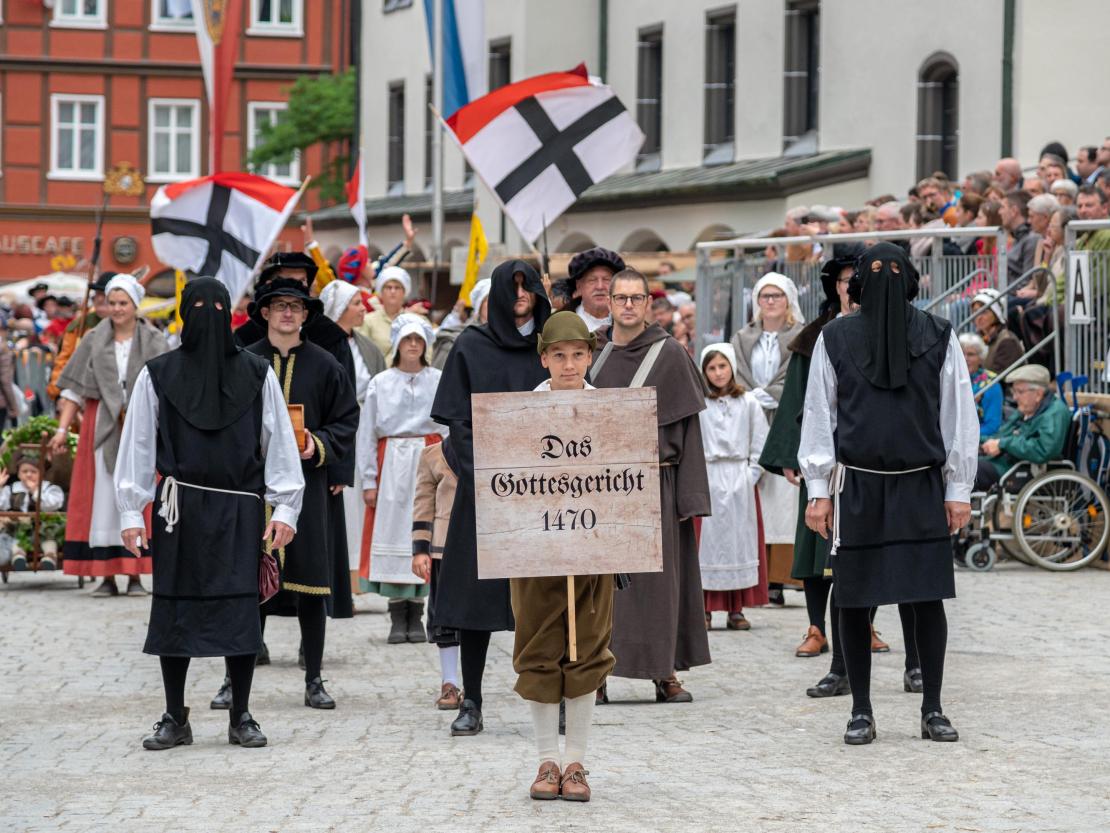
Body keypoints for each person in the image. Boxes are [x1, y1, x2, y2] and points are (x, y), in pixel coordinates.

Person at [114, 277, 305, 750]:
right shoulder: (157, 374)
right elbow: (138, 443)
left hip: (239, 508)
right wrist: (131, 511)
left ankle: (241, 715)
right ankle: (174, 715)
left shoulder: (257, 373)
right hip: (177, 510)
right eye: (197, 305)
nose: (207, 314)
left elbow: (279, 442)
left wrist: (286, 506)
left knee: (239, 610)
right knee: (175, 609)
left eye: (216, 306)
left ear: (230, 313)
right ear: (183, 312)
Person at [800, 242, 978, 746]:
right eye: (874, 269)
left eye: (894, 269)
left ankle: (932, 708)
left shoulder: (939, 335)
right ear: (859, 280)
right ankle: (860, 710)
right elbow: (820, 414)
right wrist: (818, 489)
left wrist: (958, 488)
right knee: (854, 600)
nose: (885, 276)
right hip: (857, 484)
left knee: (927, 596)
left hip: (921, 484)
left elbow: (958, 413)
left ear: (910, 278)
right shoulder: (835, 337)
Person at [430, 259, 552, 735]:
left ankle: (555, 697)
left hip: (545, 497)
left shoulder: (552, 346)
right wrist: (485, 476)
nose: (520, 294)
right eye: (512, 286)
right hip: (484, 493)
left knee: (548, 602)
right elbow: (458, 423)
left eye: (527, 286)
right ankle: (472, 700)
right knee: (475, 603)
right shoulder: (471, 345)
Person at [590, 268, 710, 703]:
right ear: (608, 303)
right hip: (601, 488)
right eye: (620, 298)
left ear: (647, 304)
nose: (627, 305)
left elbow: (690, 432)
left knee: (660, 584)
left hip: (657, 482)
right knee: (602, 586)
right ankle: (596, 674)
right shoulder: (592, 353)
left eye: (635, 298)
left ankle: (665, 671)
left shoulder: (670, 354)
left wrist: (689, 496)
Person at [242, 278, 360, 709]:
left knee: (311, 582)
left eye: (295, 306)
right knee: (248, 581)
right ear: (266, 313)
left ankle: (313, 678)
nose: (288, 313)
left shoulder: (326, 365)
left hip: (308, 485)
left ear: (306, 314)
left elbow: (346, 419)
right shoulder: (244, 361)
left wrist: (318, 443)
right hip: (253, 488)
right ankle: (235, 678)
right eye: (280, 306)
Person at [512, 311, 614, 803]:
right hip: (535, 552)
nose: (569, 364)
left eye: (577, 354)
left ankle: (575, 762)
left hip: (593, 551)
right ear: (544, 359)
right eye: (559, 355)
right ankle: (546, 760)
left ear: (590, 357)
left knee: (587, 649)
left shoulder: (611, 411)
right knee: (537, 648)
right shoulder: (519, 414)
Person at [759, 253, 855, 682]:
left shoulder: (880, 331)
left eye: (857, 279)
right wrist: (789, 455)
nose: (851, 286)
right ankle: (817, 627)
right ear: (834, 285)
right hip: (820, 458)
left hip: (862, 459)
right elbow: (797, 398)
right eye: (845, 279)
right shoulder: (813, 336)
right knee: (817, 547)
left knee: (859, 548)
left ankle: (863, 625)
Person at [52, 274, 168, 596]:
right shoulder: (92, 338)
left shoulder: (154, 340)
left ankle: (135, 574)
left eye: (123, 303)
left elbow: (169, 387)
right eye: (111, 302)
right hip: (101, 421)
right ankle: (105, 574)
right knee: (103, 497)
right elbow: (73, 391)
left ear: (135, 305)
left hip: (142, 422)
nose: (116, 309)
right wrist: (61, 430)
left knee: (139, 490)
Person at [358, 314, 446, 642]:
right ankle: (397, 614)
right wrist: (369, 480)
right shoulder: (381, 382)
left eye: (418, 339)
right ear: (397, 344)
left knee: (426, 530)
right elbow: (367, 433)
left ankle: (418, 613)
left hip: (428, 457)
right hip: (392, 461)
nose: (412, 345)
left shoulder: (437, 380)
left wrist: (448, 472)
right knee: (394, 531)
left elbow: (447, 428)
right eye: (407, 339)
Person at [731, 273, 805, 606]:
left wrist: (768, 395)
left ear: (788, 300)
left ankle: (781, 576)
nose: (771, 301)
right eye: (765, 296)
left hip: (784, 421)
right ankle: (758, 575)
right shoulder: (743, 337)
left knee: (783, 502)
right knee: (757, 498)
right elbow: (736, 371)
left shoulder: (800, 335)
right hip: (749, 419)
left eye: (777, 295)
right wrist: (750, 397)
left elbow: (796, 376)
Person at [319, 280, 387, 593]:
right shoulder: (322, 347)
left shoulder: (367, 347)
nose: (363, 308)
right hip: (337, 433)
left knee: (361, 502)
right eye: (356, 303)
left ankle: (357, 576)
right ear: (339, 309)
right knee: (343, 503)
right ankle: (338, 576)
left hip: (365, 429)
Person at [697, 343, 768, 631]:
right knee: (708, 547)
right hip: (710, 476)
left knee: (738, 544)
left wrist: (751, 475)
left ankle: (735, 609)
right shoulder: (700, 403)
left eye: (722, 366)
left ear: (732, 367)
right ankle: (704, 609)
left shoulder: (748, 402)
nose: (718, 373)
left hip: (739, 478)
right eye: (711, 368)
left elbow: (760, 440)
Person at [410, 437, 462, 711]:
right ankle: (449, 681)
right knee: (444, 616)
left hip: (484, 547)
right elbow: (424, 502)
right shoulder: (432, 455)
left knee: (479, 619)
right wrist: (420, 549)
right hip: (444, 546)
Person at [975, 364, 1070, 491]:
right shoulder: (1026, 410)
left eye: (1020, 392)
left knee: (968, 471)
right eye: (1014, 392)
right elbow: (1001, 434)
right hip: (1005, 463)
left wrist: (1003, 444)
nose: (1015, 397)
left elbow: (1043, 450)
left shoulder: (1055, 412)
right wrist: (982, 441)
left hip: (1018, 469)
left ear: (1038, 394)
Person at [0, 455, 66, 570]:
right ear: (19, 474)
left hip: (45, 526)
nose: (29, 475)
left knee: (49, 536)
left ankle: (49, 557)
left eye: (33, 472)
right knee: (15, 536)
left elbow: (53, 504)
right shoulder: (12, 488)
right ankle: (18, 557)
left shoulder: (49, 488)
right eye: (24, 471)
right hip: (20, 527)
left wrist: (35, 491)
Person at [359, 266, 420, 357]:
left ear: (404, 292)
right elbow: (362, 352)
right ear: (381, 292)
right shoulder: (368, 321)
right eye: (388, 287)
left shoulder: (415, 321)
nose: (393, 291)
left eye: (397, 288)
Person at [432, 278, 490, 370]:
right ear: (479, 306)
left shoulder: (509, 338)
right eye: (489, 300)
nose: (494, 305)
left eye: (499, 300)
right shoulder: (454, 339)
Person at [566, 247, 625, 333]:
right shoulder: (562, 323)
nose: (600, 287)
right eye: (592, 280)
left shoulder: (629, 322)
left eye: (606, 279)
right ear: (579, 286)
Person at [959, 334, 1003, 440]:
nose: (965, 358)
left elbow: (992, 426)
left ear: (981, 358)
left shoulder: (991, 384)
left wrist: (963, 437)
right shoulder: (951, 378)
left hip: (976, 439)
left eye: (971, 354)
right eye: (961, 353)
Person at [970, 290, 1023, 374]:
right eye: (975, 311)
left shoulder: (1007, 341)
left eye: (984, 312)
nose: (978, 317)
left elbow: (999, 378)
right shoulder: (979, 338)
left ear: (996, 314)